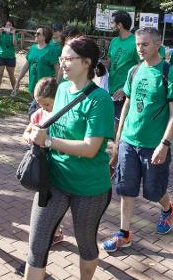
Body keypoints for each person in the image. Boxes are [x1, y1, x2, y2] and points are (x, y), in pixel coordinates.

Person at [24, 36, 114, 280]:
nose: (62, 63)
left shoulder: (100, 100)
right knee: (37, 244)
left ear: (86, 62)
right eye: (61, 58)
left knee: (85, 243)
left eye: (68, 58)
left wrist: (49, 141)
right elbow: (53, 126)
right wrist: (35, 131)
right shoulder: (62, 88)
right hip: (54, 180)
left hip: (89, 188)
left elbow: (90, 148)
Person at [103, 27, 173, 252]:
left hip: (154, 144)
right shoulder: (134, 71)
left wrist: (164, 144)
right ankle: (124, 233)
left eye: (145, 44)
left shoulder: (169, 73)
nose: (140, 49)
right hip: (129, 140)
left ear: (158, 45)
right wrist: (118, 138)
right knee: (125, 189)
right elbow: (127, 103)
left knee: (153, 191)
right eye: (138, 44)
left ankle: (167, 208)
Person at [15, 77, 64, 277]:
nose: (43, 107)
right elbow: (26, 133)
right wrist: (31, 137)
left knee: (47, 215)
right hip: (44, 171)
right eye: (39, 103)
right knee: (43, 215)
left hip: (60, 171)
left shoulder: (63, 114)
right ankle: (37, 258)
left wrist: (49, 141)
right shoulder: (39, 113)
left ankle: (34, 262)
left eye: (47, 104)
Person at [15, 26, 60, 117]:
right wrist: (18, 80)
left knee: (38, 112)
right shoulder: (33, 48)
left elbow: (58, 69)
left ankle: (40, 128)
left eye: (38, 33)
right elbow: (27, 65)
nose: (35, 35)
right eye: (35, 33)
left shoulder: (51, 50)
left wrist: (56, 84)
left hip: (45, 88)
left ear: (45, 36)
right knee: (36, 111)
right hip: (33, 85)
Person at [107, 11, 140, 125]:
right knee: (109, 124)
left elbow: (142, 67)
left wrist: (126, 88)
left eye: (112, 23)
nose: (111, 25)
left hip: (124, 92)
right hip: (110, 90)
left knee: (119, 125)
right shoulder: (114, 41)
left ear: (119, 25)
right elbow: (110, 63)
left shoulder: (136, 42)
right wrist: (101, 70)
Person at [0, 20, 18, 98]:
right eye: (7, 25)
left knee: (11, 75)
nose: (8, 27)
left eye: (10, 25)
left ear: (12, 27)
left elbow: (14, 44)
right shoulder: (1, 34)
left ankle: (14, 90)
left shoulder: (14, 35)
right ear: (4, 27)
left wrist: (13, 34)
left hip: (10, 57)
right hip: (0, 56)